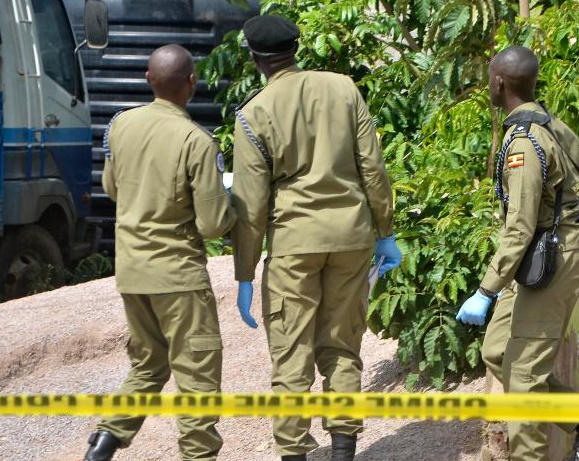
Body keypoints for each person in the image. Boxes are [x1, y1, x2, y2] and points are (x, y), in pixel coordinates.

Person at [230, 15, 402, 461]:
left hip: (293, 244)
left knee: (291, 356)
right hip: (352, 237)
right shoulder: (344, 88)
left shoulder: (253, 113)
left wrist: (246, 272)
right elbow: (373, 169)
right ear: (296, 47)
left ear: (255, 60)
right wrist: (386, 231)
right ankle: (343, 450)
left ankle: (295, 453)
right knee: (343, 346)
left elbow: (250, 207)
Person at [455, 46, 579, 461]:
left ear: (499, 82)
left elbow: (521, 225)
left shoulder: (524, 142)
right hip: (544, 256)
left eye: (490, 78)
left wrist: (487, 290)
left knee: (524, 377)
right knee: (497, 351)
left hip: (550, 257)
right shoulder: (552, 124)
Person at [82, 44, 236, 461]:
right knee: (197, 377)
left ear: (148, 79)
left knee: (149, 365)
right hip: (178, 277)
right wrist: (233, 202)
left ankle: (105, 442)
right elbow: (212, 224)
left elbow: (112, 189)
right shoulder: (197, 140)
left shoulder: (121, 125)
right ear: (192, 83)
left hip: (132, 272)